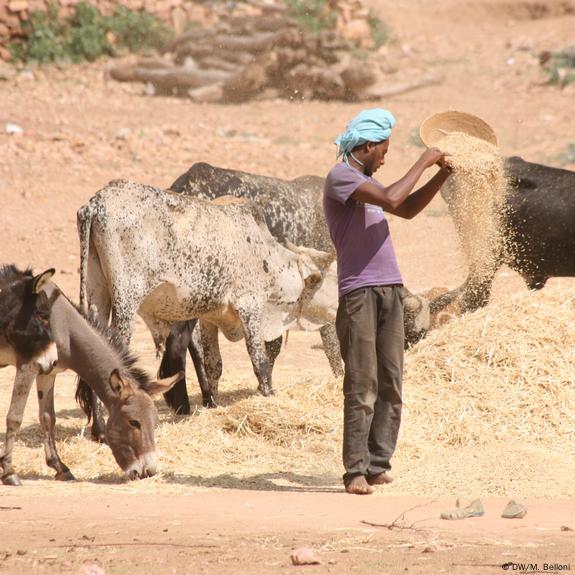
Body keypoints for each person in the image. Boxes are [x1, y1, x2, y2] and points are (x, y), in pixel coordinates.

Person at [323, 108, 451, 495]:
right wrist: (424, 160)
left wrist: (442, 174)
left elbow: (407, 208)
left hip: (391, 288)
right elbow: (396, 194)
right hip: (359, 293)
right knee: (363, 383)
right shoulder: (342, 177)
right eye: (383, 151)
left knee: (392, 381)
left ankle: (378, 463)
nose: (385, 157)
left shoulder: (368, 184)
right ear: (366, 146)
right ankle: (355, 471)